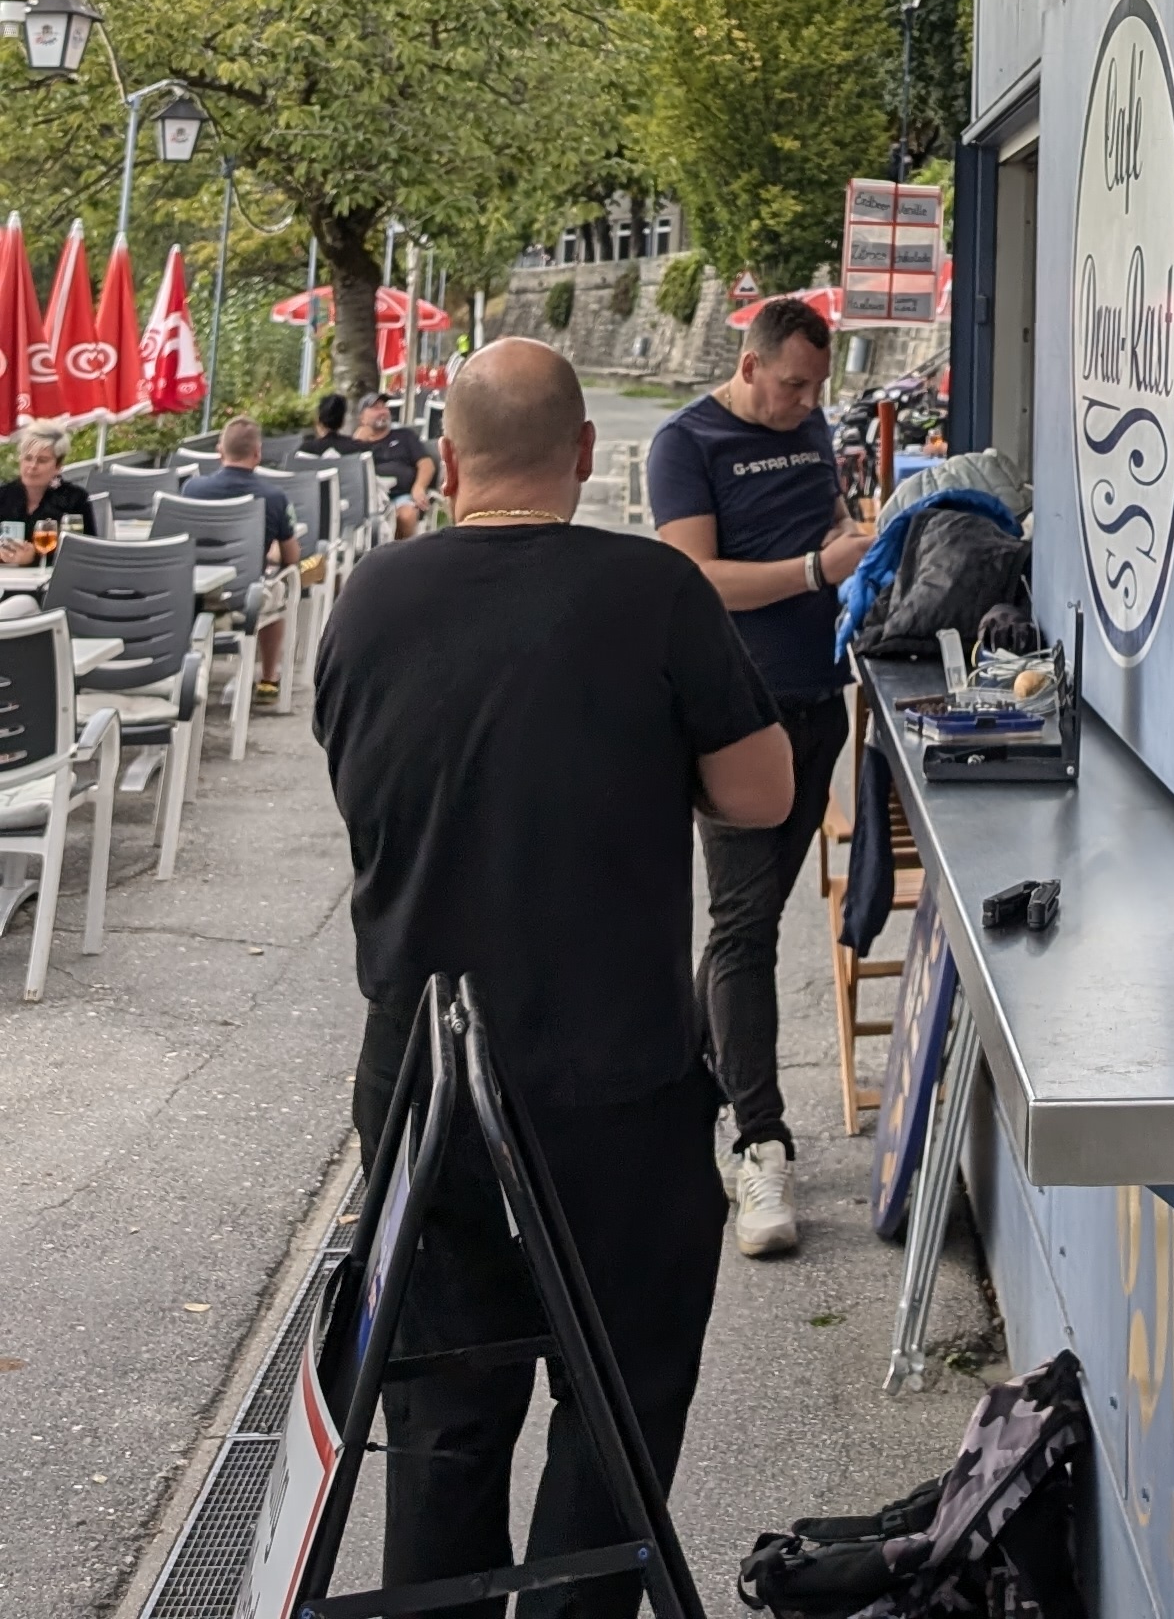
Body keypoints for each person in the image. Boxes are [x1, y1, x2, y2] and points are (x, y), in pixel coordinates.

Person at [315, 341, 789, 1619]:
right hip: (610, 1077)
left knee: (443, 1409)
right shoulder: (653, 591)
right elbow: (762, 793)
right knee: (620, 1396)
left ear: (447, 460)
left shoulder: (368, 599)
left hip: (421, 1073)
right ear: (586, 454)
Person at [648, 295, 864, 1260]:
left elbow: (827, 518)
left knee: (754, 918)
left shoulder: (811, 426)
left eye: (816, 388)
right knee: (744, 925)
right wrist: (816, 571)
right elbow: (693, 577)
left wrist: (855, 546)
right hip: (737, 714)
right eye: (792, 385)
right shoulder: (686, 443)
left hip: (819, 702)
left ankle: (672, 1087)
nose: (806, 402)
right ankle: (760, 1142)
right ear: (749, 366)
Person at [182, 414, 300, 690]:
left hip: (192, 594)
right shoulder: (274, 497)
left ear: (219, 451)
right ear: (257, 454)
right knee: (280, 588)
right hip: (242, 599)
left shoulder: (191, 488)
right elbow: (292, 557)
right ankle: (269, 678)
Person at [0, 429, 97, 555]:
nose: (32, 466)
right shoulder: (3, 495)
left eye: (42, 460)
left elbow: (87, 551)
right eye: (28, 458)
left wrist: (33, 557)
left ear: (58, 466)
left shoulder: (74, 499)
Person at [355, 390, 437, 537]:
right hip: (369, 502)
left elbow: (426, 464)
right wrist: (357, 443)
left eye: (384, 407)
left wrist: (419, 487)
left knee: (406, 516)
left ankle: (402, 551)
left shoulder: (405, 436)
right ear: (362, 418)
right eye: (375, 408)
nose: (382, 411)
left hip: (401, 496)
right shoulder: (356, 445)